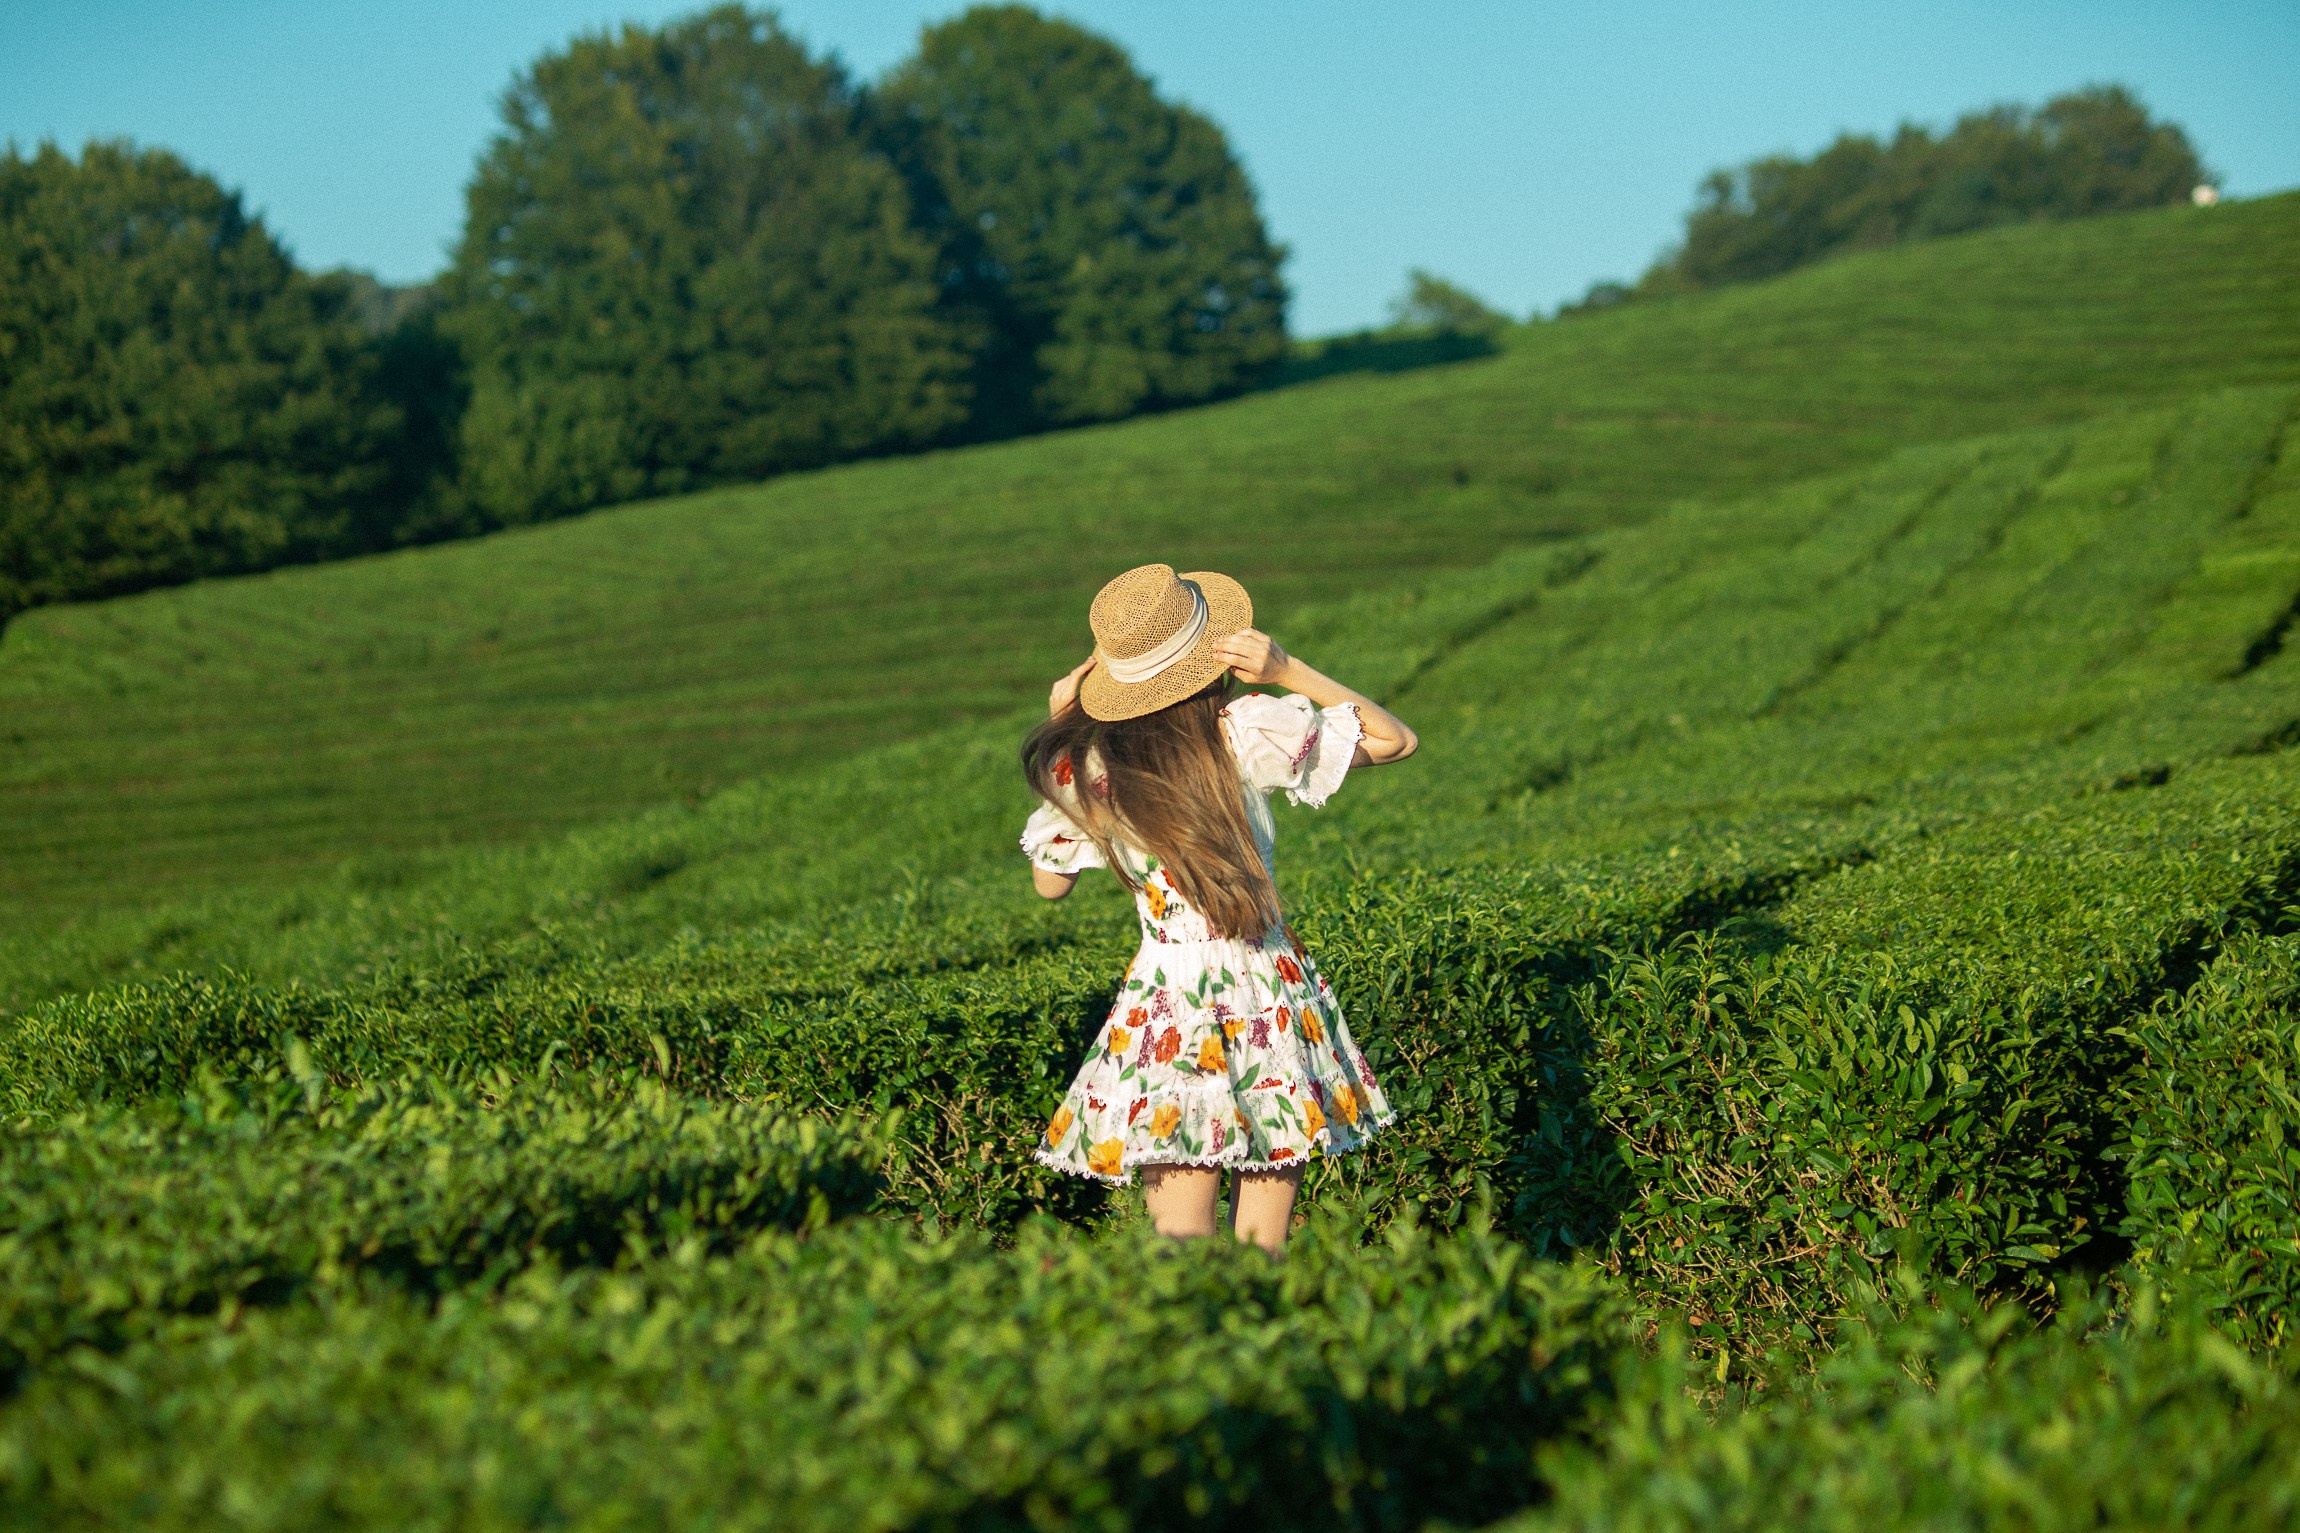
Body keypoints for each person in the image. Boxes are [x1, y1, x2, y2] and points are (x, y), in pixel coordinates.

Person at [1021, 563, 1419, 1253]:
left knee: (1179, 1250)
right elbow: (1396, 739)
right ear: (1211, 656)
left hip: (1168, 1004)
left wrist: (1065, 730)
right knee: (1264, 1246)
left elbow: (1050, 883)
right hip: (1269, 989)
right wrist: (1287, 667)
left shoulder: (1097, 772)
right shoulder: (1243, 731)